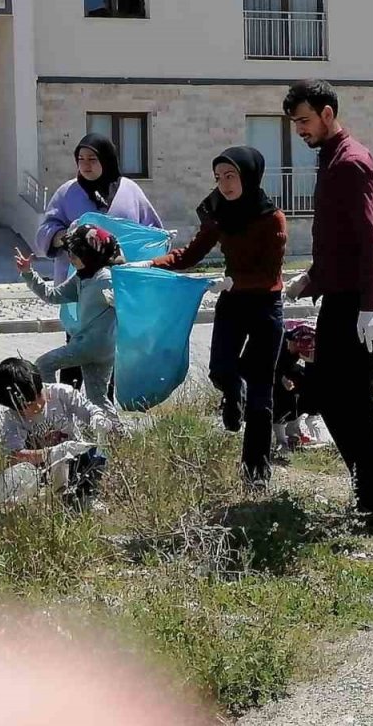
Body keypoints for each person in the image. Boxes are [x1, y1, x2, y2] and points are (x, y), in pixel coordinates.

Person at [126, 147, 285, 487]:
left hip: (265, 307)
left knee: (261, 394)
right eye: (218, 178)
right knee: (221, 370)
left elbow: (271, 273)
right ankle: (233, 392)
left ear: (248, 176)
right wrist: (149, 264)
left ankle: (256, 473)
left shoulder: (272, 218)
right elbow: (190, 254)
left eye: (230, 176)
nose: (224, 184)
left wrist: (232, 280)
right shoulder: (220, 214)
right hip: (232, 304)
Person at [281, 79, 373, 529]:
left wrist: (370, 305)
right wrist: (311, 278)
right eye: (295, 123)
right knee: (330, 395)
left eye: (305, 121)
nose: (300, 130)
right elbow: (338, 239)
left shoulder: (350, 163)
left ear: (328, 113)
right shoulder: (331, 160)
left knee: (353, 400)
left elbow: (368, 241)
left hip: (357, 301)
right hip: (340, 293)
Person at [33, 133, 163, 389]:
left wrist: (156, 261)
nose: (86, 165)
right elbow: (44, 231)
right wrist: (63, 236)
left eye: (92, 159)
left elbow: (151, 231)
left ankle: (105, 410)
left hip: (116, 290)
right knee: (74, 351)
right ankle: (68, 412)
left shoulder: (130, 191)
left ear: (107, 160)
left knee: (110, 353)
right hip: (79, 289)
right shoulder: (67, 192)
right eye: (81, 159)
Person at [15, 224, 121, 411]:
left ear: (89, 255)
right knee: (98, 398)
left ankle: (57, 415)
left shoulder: (105, 279)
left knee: (43, 364)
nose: (70, 258)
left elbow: (125, 301)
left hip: (91, 345)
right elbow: (53, 295)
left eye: (75, 253)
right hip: (101, 349)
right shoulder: (82, 276)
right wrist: (28, 273)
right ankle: (117, 436)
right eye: (69, 252)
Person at [0, 357, 113, 509]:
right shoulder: (13, 418)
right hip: (42, 468)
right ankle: (44, 502)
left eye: (36, 400)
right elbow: (14, 454)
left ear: (40, 387)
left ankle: (86, 497)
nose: (33, 409)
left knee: (95, 455)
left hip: (74, 460)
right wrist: (51, 453)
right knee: (14, 479)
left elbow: (89, 410)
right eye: (24, 407)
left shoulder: (61, 393)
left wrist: (98, 419)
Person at [273, 319, 323, 451]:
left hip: (287, 368)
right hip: (266, 372)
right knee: (279, 396)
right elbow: (266, 368)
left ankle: (294, 430)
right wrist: (282, 379)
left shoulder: (310, 339)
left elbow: (313, 374)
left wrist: (313, 411)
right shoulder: (278, 343)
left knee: (307, 384)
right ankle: (281, 440)